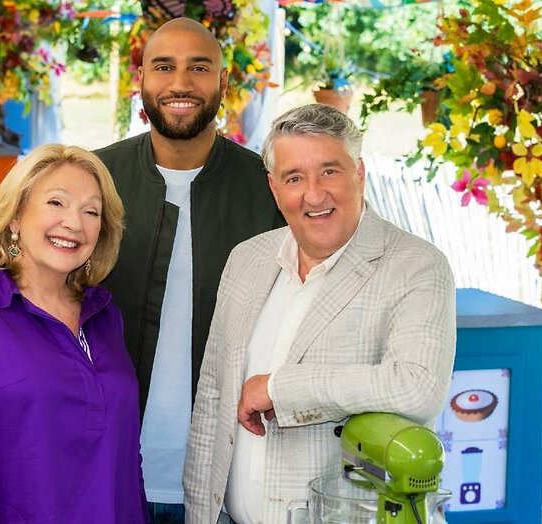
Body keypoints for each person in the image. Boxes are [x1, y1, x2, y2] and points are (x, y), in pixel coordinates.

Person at [183, 104, 456, 524]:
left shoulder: (416, 265)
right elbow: (212, 400)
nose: (313, 194)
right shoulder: (247, 259)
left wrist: (280, 388)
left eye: (330, 171)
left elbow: (417, 387)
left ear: (359, 174)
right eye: (294, 178)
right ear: (274, 189)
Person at [94, 17, 285, 523]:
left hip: (230, 477)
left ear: (224, 83)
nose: (180, 84)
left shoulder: (268, 189)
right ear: (141, 79)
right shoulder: (93, 180)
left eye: (199, 68)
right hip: (103, 473)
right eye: (164, 67)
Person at [0, 144, 146, 523]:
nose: (74, 223)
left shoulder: (105, 316)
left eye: (91, 211)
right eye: (56, 203)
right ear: (16, 216)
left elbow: (125, 458)